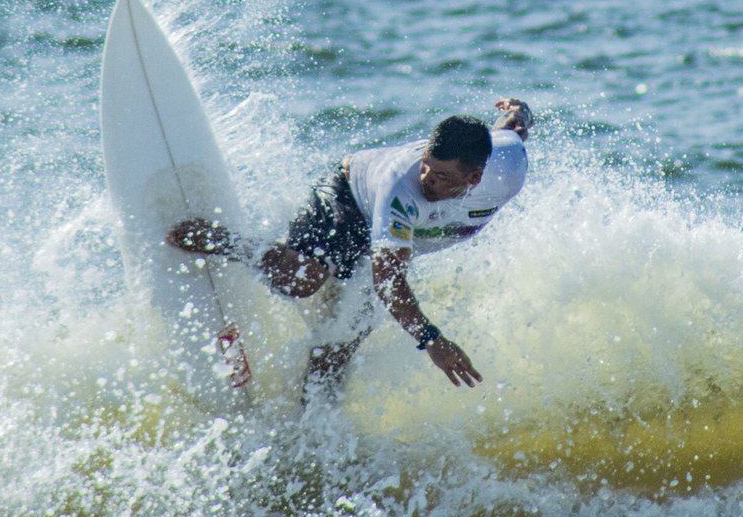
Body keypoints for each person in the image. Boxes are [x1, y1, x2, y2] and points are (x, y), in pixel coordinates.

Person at [168, 98, 532, 397]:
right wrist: (431, 339)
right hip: (349, 200)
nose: (426, 180)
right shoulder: (400, 187)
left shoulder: (508, 167)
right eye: (425, 167)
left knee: (344, 338)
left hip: (387, 237)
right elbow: (387, 279)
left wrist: (517, 111)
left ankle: (310, 423)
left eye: (440, 178)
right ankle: (224, 241)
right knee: (303, 280)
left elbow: (510, 129)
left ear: (475, 177)